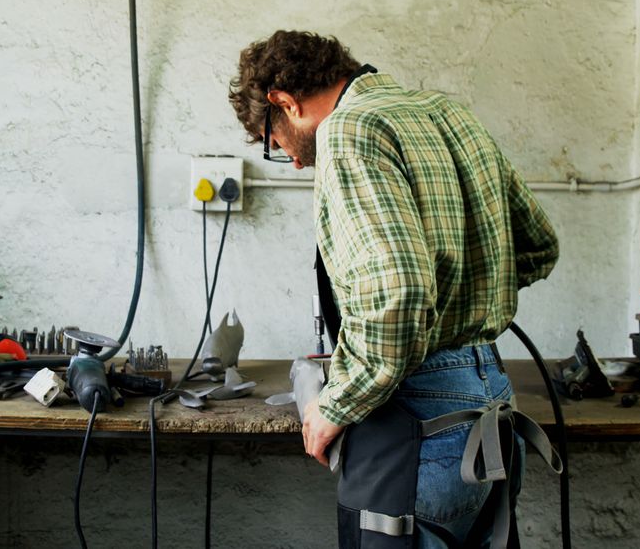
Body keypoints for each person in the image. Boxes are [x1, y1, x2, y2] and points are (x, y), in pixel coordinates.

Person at [229, 30, 559, 548]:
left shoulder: (349, 129)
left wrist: (335, 405)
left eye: (276, 143)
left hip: (417, 413)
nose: (291, 160)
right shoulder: (452, 115)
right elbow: (539, 245)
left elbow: (398, 295)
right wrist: (460, 294)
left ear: (284, 103)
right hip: (489, 396)